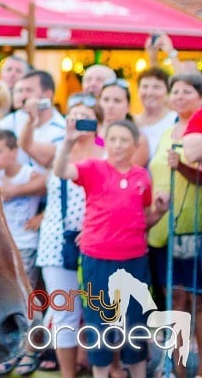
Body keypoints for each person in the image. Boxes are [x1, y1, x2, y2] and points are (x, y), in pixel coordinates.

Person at [52, 120, 168, 378]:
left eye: (124, 140)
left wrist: (160, 211)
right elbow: (61, 170)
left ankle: (137, 372)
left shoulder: (141, 176)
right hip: (97, 259)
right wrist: (69, 141)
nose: (117, 145)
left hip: (134, 259)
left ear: (135, 145)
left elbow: (145, 218)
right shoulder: (93, 168)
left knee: (134, 322)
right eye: (112, 139)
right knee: (99, 322)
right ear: (105, 141)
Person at [34, 94, 102, 378]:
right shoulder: (58, 152)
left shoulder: (107, 153)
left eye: (86, 116)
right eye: (74, 116)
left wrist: (91, 227)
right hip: (55, 242)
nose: (80, 122)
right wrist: (69, 140)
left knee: (99, 310)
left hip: (97, 240)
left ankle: (99, 365)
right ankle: (67, 373)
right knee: (65, 312)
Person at [146, 73, 202, 354]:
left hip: (193, 224)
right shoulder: (167, 130)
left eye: (187, 91)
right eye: (176, 91)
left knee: (195, 299)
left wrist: (181, 167)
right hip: (161, 226)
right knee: (171, 298)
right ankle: (176, 366)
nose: (179, 96)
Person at [0, 129, 45, 375]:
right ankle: (12, 350)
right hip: (1, 247)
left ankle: (30, 350)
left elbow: (51, 191)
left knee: (26, 299)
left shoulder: (29, 174)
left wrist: (41, 216)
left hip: (24, 244)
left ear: (14, 152)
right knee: (5, 301)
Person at [133, 67, 176, 160]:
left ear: (168, 92)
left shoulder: (175, 121)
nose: (149, 92)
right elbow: (102, 143)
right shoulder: (130, 121)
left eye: (156, 87)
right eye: (145, 87)